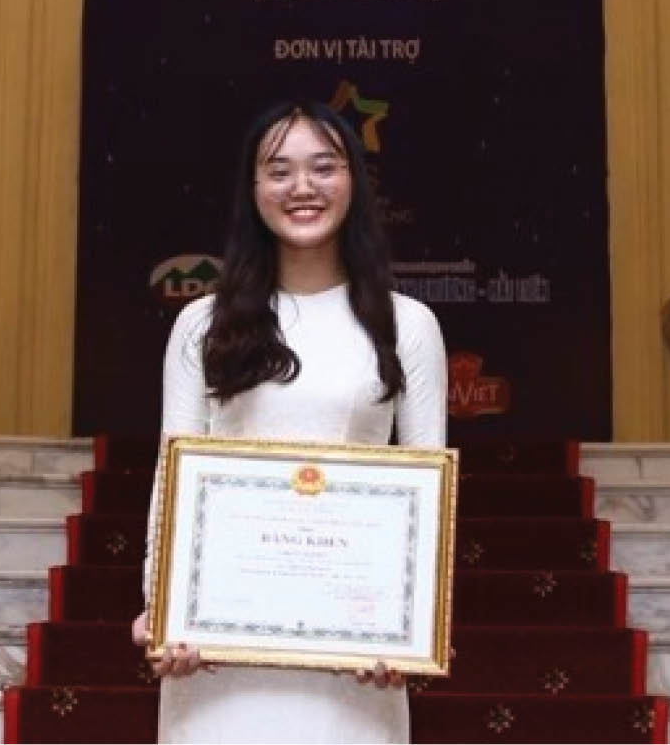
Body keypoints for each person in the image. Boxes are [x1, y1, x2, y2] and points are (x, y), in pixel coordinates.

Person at [131, 100, 447, 744]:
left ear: (354, 182)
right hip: (217, 651)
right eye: (279, 171)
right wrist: (162, 611)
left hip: (356, 661)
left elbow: (429, 493)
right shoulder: (201, 323)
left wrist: (414, 627)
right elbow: (172, 478)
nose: (303, 187)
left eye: (324, 167)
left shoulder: (408, 324)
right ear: (253, 190)